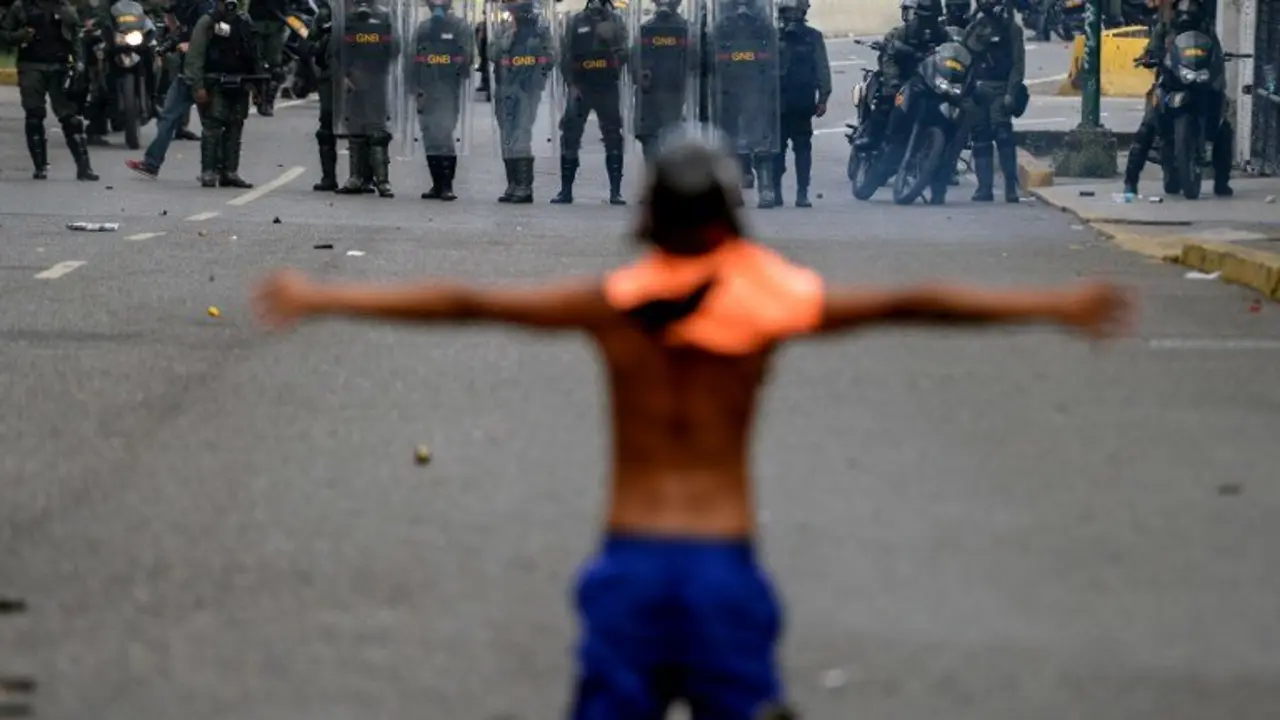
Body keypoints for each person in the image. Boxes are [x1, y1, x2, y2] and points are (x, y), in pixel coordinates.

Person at [252, 136, 1132, 720]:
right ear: (727, 213)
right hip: (720, 568)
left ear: (649, 218)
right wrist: (1055, 304)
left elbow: (465, 303)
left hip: (629, 567)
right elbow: (915, 304)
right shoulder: (768, 300)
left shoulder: (611, 306)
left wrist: (326, 295)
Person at [1122, 0, 1232, 197]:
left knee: (1224, 128)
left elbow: (1216, 54)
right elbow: (1152, 48)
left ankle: (1222, 182)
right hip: (1170, 83)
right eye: (1183, 9)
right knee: (1147, 126)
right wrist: (1149, 56)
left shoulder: (1206, 29)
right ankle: (1131, 181)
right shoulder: (1165, 27)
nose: (1188, 13)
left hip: (1200, 85)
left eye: (1193, 9)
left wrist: (1218, 67)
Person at [0, 0, 99, 180]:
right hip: (31, 66)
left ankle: (84, 167)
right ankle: (40, 166)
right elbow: (5, 34)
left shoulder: (63, 6)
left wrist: (78, 62)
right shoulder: (21, 7)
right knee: (34, 115)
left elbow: (76, 35)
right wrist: (21, 35)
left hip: (59, 67)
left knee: (70, 118)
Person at [551, 0, 629, 206]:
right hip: (581, 86)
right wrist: (571, 84)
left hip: (606, 87)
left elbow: (625, 55)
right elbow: (565, 56)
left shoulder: (616, 21)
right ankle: (565, 190)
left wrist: (612, 43)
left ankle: (615, 192)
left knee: (613, 136)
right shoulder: (575, 21)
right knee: (570, 135)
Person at [125, 0, 212, 179]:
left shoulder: (205, 6)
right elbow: (177, 28)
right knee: (167, 118)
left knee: (212, 125)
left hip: (204, 71)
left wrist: (193, 45)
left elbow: (212, 34)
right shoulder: (179, 6)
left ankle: (214, 169)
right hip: (186, 71)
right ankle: (151, 164)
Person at [709, 0, 780, 208]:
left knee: (760, 139)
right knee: (731, 142)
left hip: (755, 86)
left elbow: (773, 55)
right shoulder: (723, 24)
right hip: (729, 87)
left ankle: (766, 189)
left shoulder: (762, 24)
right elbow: (712, 54)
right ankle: (734, 190)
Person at [184, 0, 262, 187]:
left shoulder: (244, 21)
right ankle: (209, 171)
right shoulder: (208, 22)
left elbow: (253, 54)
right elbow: (195, 55)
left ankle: (230, 171)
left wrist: (257, 85)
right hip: (215, 81)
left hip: (240, 81)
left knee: (235, 126)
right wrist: (198, 86)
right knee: (213, 127)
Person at [852, 0, 948, 150]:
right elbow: (889, 57)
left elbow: (952, 55)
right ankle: (872, 137)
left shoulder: (942, 34)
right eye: (924, 17)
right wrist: (893, 81)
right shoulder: (904, 32)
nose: (928, 22)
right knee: (887, 99)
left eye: (932, 17)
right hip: (902, 76)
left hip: (927, 80)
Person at [488, 0, 555, 203]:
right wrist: (510, 36)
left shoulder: (540, 32)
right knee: (507, 135)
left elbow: (550, 57)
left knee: (521, 133)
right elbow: (492, 54)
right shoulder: (504, 30)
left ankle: (524, 187)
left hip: (527, 89)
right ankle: (512, 184)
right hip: (504, 87)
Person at [333, 0, 401, 198]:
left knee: (377, 132)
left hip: (377, 79)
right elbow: (338, 51)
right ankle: (356, 177)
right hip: (355, 79)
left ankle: (382, 180)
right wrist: (344, 76)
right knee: (356, 131)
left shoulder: (384, 17)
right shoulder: (348, 20)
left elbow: (395, 49)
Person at [411, 0, 473, 201]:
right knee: (429, 135)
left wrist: (452, 74)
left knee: (444, 135)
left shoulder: (459, 27)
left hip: (447, 89)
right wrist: (414, 88)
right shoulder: (423, 28)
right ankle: (436, 184)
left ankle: (447, 184)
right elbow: (413, 58)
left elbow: (468, 57)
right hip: (426, 89)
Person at [964, 0, 1024, 202]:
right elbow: (966, 51)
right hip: (978, 89)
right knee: (980, 137)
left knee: (1003, 134)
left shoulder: (1011, 29)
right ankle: (984, 188)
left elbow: (1018, 64)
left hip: (1000, 89)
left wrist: (1011, 92)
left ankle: (1010, 187)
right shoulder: (978, 26)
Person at [772, 0, 829, 208]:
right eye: (789, 11)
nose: (792, 15)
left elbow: (822, 67)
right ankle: (775, 190)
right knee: (776, 150)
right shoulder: (772, 36)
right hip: (777, 101)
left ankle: (802, 192)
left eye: (796, 10)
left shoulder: (813, 37)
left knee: (803, 149)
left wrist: (823, 97)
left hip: (802, 101)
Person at [630, 0, 695, 164]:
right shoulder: (649, 29)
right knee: (652, 134)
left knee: (664, 132)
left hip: (670, 91)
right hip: (657, 91)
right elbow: (635, 59)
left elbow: (694, 60)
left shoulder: (685, 29)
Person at [308, 0, 337, 190]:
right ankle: (329, 177)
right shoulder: (325, 13)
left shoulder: (369, 10)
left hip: (361, 74)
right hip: (330, 73)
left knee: (364, 127)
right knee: (326, 124)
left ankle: (363, 177)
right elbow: (312, 38)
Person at [247, 0, 286, 114]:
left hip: (276, 20)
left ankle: (268, 101)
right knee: (256, 63)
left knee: (275, 66)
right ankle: (260, 96)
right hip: (258, 19)